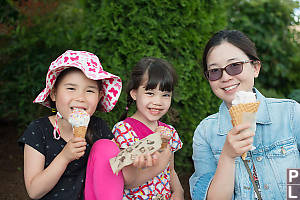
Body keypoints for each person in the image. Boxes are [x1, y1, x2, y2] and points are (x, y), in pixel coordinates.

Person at [189, 29, 300, 200]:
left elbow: (295, 179)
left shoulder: (290, 114)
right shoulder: (205, 133)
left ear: (255, 68)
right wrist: (227, 156)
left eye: (234, 66)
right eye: (215, 71)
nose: (225, 77)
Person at [18, 50, 122, 200]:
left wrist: (136, 160)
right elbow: (34, 191)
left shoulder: (99, 127)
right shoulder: (38, 130)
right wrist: (64, 157)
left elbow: (117, 177)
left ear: (99, 97)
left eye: (90, 90)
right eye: (71, 88)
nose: (80, 98)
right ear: (53, 93)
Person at [112, 57, 184, 199]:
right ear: (134, 93)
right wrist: (154, 163)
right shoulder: (124, 130)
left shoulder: (169, 132)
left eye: (165, 95)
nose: (157, 102)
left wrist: (178, 191)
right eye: (150, 93)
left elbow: (170, 169)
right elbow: (126, 181)